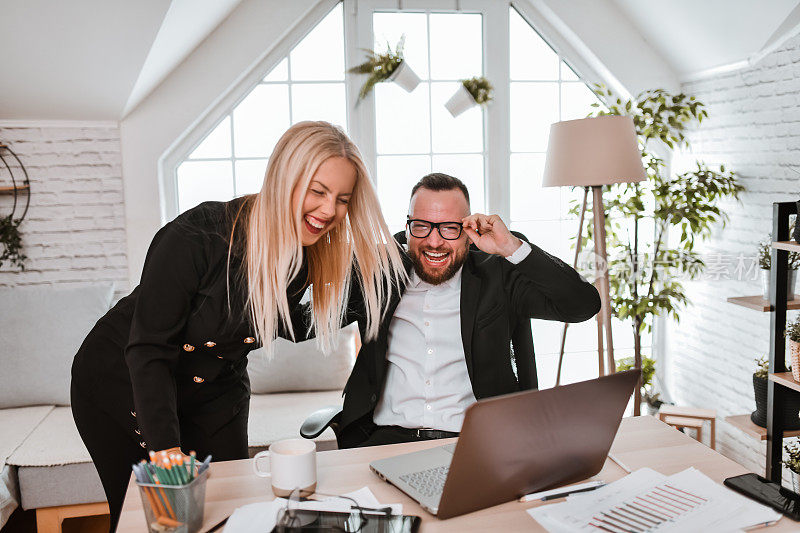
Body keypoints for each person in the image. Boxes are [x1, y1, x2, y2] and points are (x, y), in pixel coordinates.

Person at [70, 121, 405, 531]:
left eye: (341, 199)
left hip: (216, 390)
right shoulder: (196, 237)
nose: (329, 211)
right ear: (285, 177)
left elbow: (291, 325)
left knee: (234, 512)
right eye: (318, 191)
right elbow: (148, 351)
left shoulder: (303, 252)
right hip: (124, 380)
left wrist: (404, 261)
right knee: (157, 521)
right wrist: (167, 453)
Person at [332, 173, 601, 448]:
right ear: (408, 227)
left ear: (469, 232)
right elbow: (301, 324)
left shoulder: (499, 275)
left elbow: (582, 305)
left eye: (449, 228)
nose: (434, 242)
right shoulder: (379, 274)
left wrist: (511, 247)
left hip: (474, 444)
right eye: (422, 226)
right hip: (386, 440)